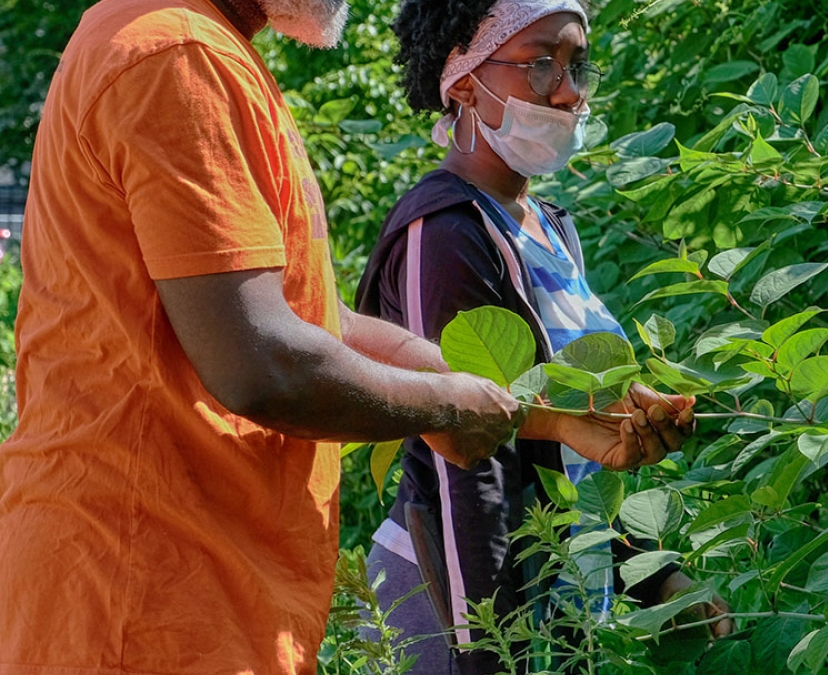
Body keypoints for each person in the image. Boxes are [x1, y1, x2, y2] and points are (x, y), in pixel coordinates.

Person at [0, 0, 688, 671]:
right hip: (138, 593)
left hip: (194, 589)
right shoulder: (177, 53)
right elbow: (260, 360)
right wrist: (445, 410)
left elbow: (316, 319)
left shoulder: (208, 52)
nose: (566, 92)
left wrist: (557, 413)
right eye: (541, 65)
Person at [354, 1, 731, 672]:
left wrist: (653, 572)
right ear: (464, 81)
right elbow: (467, 465)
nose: (567, 90)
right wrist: (493, 657)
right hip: (463, 616)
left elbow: (574, 447)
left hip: (561, 599)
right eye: (538, 64)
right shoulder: (442, 235)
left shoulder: (549, 228)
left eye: (577, 65)